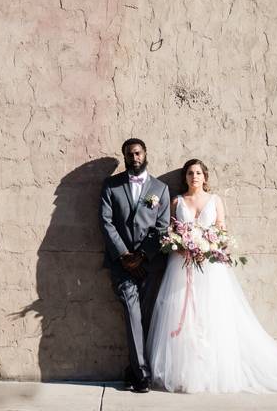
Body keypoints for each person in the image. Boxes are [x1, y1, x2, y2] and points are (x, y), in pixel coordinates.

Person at [146, 159, 277, 393]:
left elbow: (222, 231)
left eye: (198, 173)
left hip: (210, 268)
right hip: (181, 267)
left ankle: (212, 371)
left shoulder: (215, 200)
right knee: (184, 318)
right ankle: (185, 373)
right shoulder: (177, 201)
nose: (194, 176)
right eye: (190, 173)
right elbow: (172, 231)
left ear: (205, 177)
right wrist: (182, 246)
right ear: (185, 177)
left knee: (212, 318)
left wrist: (209, 248)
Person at [99, 138, 171, 393]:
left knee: (145, 318)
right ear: (125, 157)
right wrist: (125, 256)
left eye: (138, 153)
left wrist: (142, 256)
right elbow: (106, 223)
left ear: (145, 154)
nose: (134, 158)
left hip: (149, 265)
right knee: (132, 313)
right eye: (130, 155)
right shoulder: (111, 185)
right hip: (121, 265)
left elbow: (162, 228)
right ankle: (141, 374)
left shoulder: (160, 189)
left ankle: (131, 369)